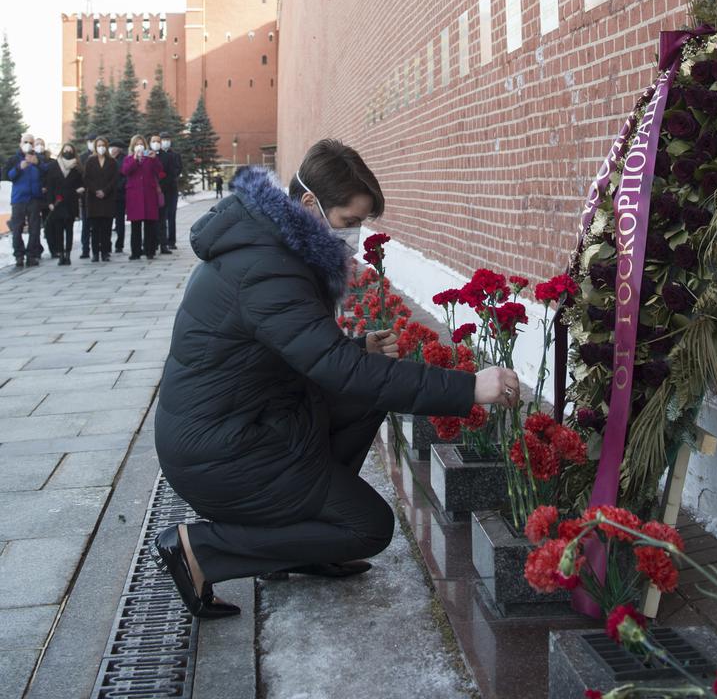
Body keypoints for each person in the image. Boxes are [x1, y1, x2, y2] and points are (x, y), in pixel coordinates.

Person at [152, 139, 520, 619]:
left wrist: (356, 349)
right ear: (310, 204)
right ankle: (199, 550)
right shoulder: (267, 268)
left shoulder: (272, 243)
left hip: (251, 420)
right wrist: (470, 388)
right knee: (369, 527)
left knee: (365, 395)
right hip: (221, 452)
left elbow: (300, 352)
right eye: (350, 221)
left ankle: (299, 545)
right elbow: (337, 370)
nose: (355, 233)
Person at [5, 133, 47, 268]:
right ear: (20, 143)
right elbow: (8, 176)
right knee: (17, 228)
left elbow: (47, 171)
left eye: (30, 142)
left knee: (35, 229)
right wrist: (18, 168)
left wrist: (38, 163)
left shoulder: (38, 158)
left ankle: (32, 255)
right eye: (25, 142)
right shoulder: (14, 159)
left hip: (34, 198)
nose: (28, 144)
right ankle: (19, 255)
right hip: (19, 199)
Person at [122, 136, 165, 261]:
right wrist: (135, 159)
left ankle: (149, 250)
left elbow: (160, 171)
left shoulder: (150, 159)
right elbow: (125, 171)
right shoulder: (129, 158)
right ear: (133, 146)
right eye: (137, 144)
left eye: (141, 144)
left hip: (149, 195)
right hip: (134, 196)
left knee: (149, 225)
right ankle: (135, 252)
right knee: (135, 226)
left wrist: (154, 159)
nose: (139, 146)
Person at [46, 142, 85, 265]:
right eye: (65, 150)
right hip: (58, 202)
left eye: (70, 151)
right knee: (58, 230)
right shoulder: (54, 166)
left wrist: (80, 190)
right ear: (62, 151)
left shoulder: (77, 167)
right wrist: (50, 202)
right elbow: (49, 185)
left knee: (69, 230)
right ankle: (60, 254)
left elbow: (82, 183)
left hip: (71, 201)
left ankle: (68, 254)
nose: (67, 152)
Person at [83, 135, 118, 263]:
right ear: (95, 147)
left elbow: (114, 179)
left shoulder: (112, 162)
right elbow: (86, 178)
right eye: (99, 146)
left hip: (107, 198)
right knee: (95, 228)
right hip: (93, 199)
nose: (101, 148)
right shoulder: (90, 161)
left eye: (103, 146)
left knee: (106, 228)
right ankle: (95, 253)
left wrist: (105, 191)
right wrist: (96, 190)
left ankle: (105, 252)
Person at [159, 133, 182, 251]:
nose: (165, 142)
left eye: (167, 139)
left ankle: (171, 241)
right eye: (163, 139)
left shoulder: (175, 155)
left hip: (171, 189)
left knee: (171, 215)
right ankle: (160, 239)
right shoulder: (156, 154)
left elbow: (178, 169)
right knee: (160, 216)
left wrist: (170, 177)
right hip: (160, 190)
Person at [78, 137, 95, 259]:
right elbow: (79, 175)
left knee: (98, 224)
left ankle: (98, 248)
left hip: (99, 195)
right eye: (91, 141)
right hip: (86, 196)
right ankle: (85, 249)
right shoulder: (82, 157)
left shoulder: (103, 157)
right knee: (86, 225)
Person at [109, 143, 127, 254]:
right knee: (108, 221)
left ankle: (119, 245)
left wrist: (119, 186)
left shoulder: (124, 159)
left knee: (120, 221)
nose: (112, 149)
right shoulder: (107, 159)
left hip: (120, 194)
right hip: (109, 194)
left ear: (119, 149)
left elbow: (125, 175)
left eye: (114, 147)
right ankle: (107, 244)